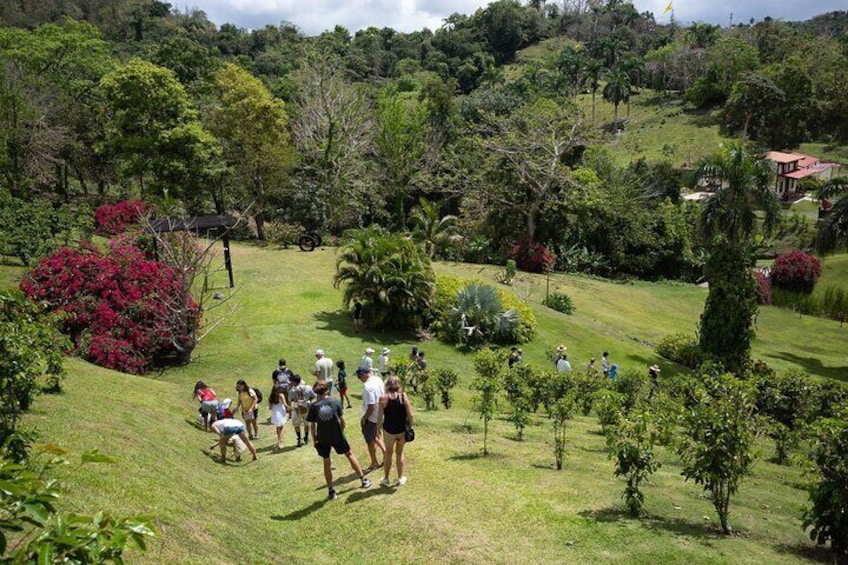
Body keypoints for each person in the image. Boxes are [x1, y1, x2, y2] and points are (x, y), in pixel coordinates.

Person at [306, 381, 372, 500]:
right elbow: (342, 421)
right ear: (327, 390)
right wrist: (341, 431)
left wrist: (314, 439)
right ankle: (363, 479)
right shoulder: (336, 402)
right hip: (337, 435)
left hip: (322, 438)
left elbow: (312, 426)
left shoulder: (314, 406)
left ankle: (331, 491)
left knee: (326, 462)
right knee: (349, 454)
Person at [378, 376, 414, 487]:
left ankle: (386, 478)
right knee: (399, 454)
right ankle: (400, 478)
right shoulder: (403, 396)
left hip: (389, 431)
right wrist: (410, 426)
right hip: (401, 431)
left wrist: (377, 429)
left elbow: (379, 417)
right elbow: (410, 415)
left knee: (388, 454)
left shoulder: (383, 398)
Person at [357, 365, 386, 470]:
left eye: (359, 376)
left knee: (370, 440)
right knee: (377, 436)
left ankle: (374, 462)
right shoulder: (378, 379)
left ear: (364, 374)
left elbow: (371, 406)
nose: (359, 379)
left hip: (372, 418)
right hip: (380, 415)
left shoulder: (368, 387)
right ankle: (385, 454)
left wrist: (365, 417)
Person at [289, 374, 317, 447]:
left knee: (296, 424)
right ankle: (306, 437)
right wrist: (308, 400)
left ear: (294, 382)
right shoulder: (308, 387)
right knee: (307, 423)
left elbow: (290, 399)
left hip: (297, 409)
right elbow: (314, 396)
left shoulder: (292, 390)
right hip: (307, 407)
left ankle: (299, 439)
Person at [268, 386, 290, 450]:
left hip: (275, 412)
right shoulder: (281, 395)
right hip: (281, 412)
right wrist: (289, 408)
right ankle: (280, 442)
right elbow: (285, 404)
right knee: (281, 427)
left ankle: (279, 440)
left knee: (278, 427)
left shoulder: (270, 397)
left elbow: (270, 407)